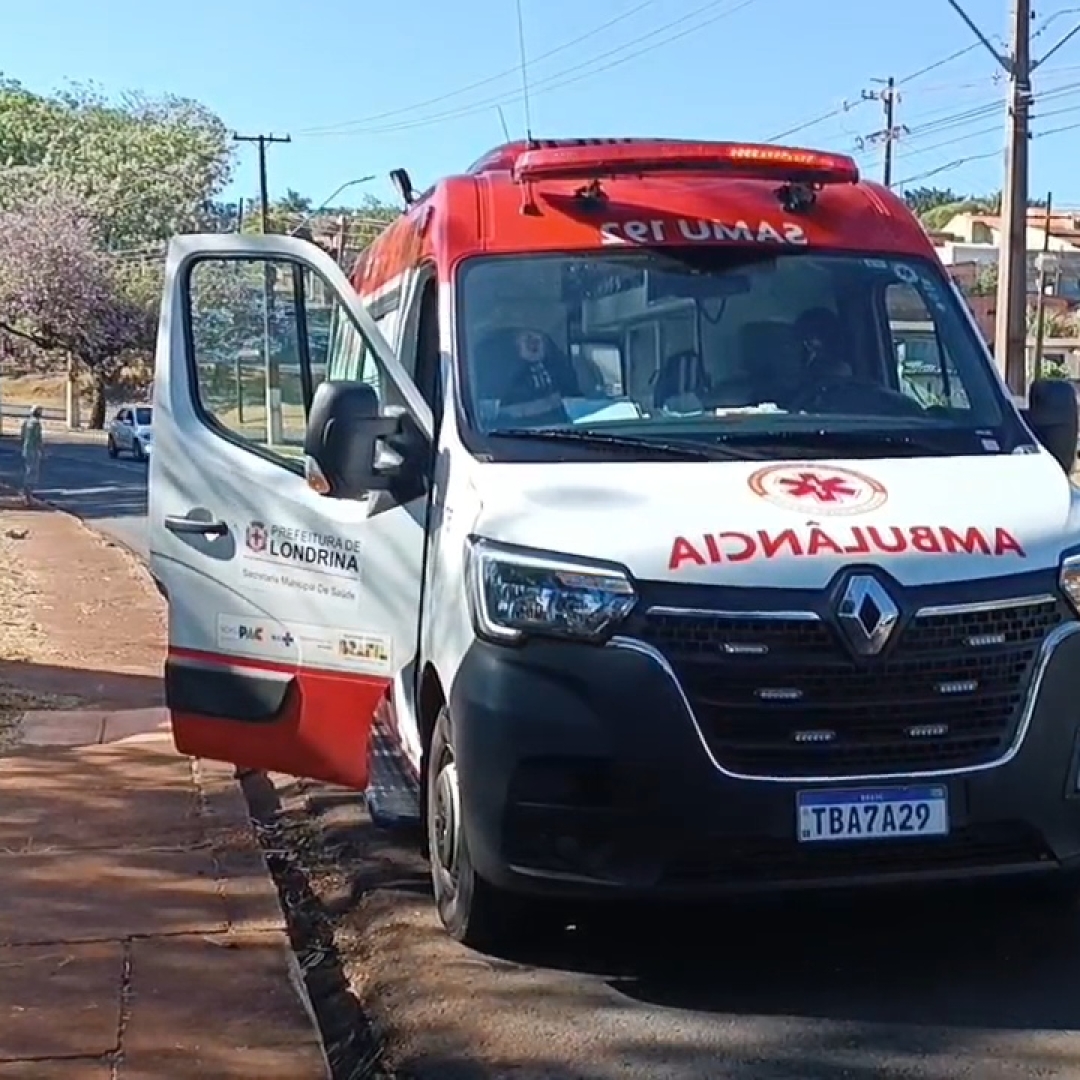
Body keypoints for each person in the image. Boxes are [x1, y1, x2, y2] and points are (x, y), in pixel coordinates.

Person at [20, 406, 44, 506]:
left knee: (28, 470)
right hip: (33, 450)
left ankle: (27, 494)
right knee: (33, 472)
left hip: (26, 449)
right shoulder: (36, 424)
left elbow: (22, 436)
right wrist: (42, 450)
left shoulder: (26, 422)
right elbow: (38, 439)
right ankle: (28, 496)